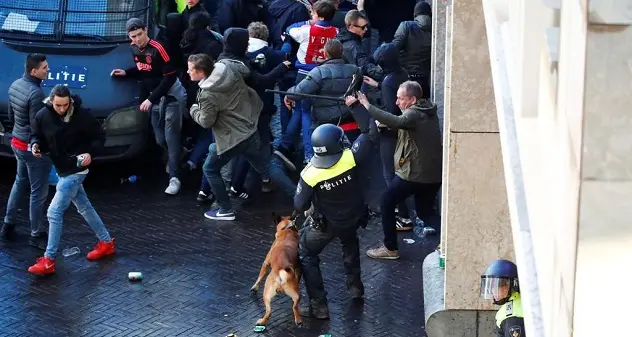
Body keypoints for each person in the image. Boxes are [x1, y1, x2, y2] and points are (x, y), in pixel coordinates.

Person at [187, 53, 296, 220]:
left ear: (201, 71)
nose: (188, 73)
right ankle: (301, 197)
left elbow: (206, 121)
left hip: (231, 139)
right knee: (267, 167)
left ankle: (225, 209)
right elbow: (245, 70)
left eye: (190, 70)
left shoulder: (207, 94)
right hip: (249, 127)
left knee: (209, 168)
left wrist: (194, 109)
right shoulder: (228, 66)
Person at [346, 81, 442, 260]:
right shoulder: (426, 111)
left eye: (400, 98)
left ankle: (390, 248)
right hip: (432, 174)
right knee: (425, 212)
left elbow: (399, 121)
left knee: (387, 201)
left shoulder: (413, 113)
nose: (397, 102)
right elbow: (404, 127)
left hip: (415, 173)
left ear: (413, 99)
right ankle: (449, 239)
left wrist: (367, 105)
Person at [26, 85, 116, 276]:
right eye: (58, 105)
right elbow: (37, 135)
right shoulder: (43, 115)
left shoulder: (83, 115)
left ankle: (49, 260)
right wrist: (35, 145)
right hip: (61, 168)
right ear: (51, 101)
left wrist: (91, 153)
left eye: (65, 105)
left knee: (53, 212)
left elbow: (99, 137)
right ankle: (106, 242)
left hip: (76, 169)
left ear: (70, 102)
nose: (62, 109)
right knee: (84, 207)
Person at [293, 123, 373, 319]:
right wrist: (357, 105)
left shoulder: (310, 173)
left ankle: (318, 306)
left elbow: (299, 204)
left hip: (328, 224)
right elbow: (369, 133)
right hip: (354, 217)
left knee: (306, 253)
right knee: (350, 243)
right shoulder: (350, 157)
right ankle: (355, 288)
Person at [111, 18, 187, 195]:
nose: (137, 39)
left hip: (171, 96)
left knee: (170, 137)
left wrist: (150, 99)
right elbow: (144, 69)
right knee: (160, 138)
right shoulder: (134, 49)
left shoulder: (159, 48)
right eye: (133, 36)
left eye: (139, 35)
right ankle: (179, 153)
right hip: (155, 98)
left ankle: (175, 178)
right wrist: (127, 73)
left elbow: (169, 77)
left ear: (146, 31)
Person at [280, 39, 362, 171]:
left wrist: (288, 94)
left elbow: (299, 92)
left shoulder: (318, 72)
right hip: (351, 118)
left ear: (326, 54)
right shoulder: (355, 70)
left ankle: (309, 160)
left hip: (325, 122)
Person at [1, 53, 52, 249]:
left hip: (16, 142)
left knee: (19, 182)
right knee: (38, 192)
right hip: (31, 149)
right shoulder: (36, 94)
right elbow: (35, 126)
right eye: (45, 67)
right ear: (34, 71)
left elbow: (10, 116)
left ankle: (8, 223)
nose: (48, 70)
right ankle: (36, 232)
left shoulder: (15, 85)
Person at [362, 42, 414, 230]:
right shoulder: (403, 74)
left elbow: (390, 112)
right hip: (404, 131)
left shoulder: (387, 82)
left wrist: (374, 115)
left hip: (390, 135)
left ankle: (403, 216)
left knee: (389, 173)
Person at [392, 1, 432, 98]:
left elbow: (393, 49)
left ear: (415, 14)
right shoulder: (437, 29)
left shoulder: (406, 26)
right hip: (425, 82)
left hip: (405, 80)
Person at [480, 259, 526, 337]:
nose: (493, 290)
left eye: (499, 285)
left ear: (513, 285)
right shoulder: (517, 304)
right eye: (492, 286)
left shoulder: (512, 314)